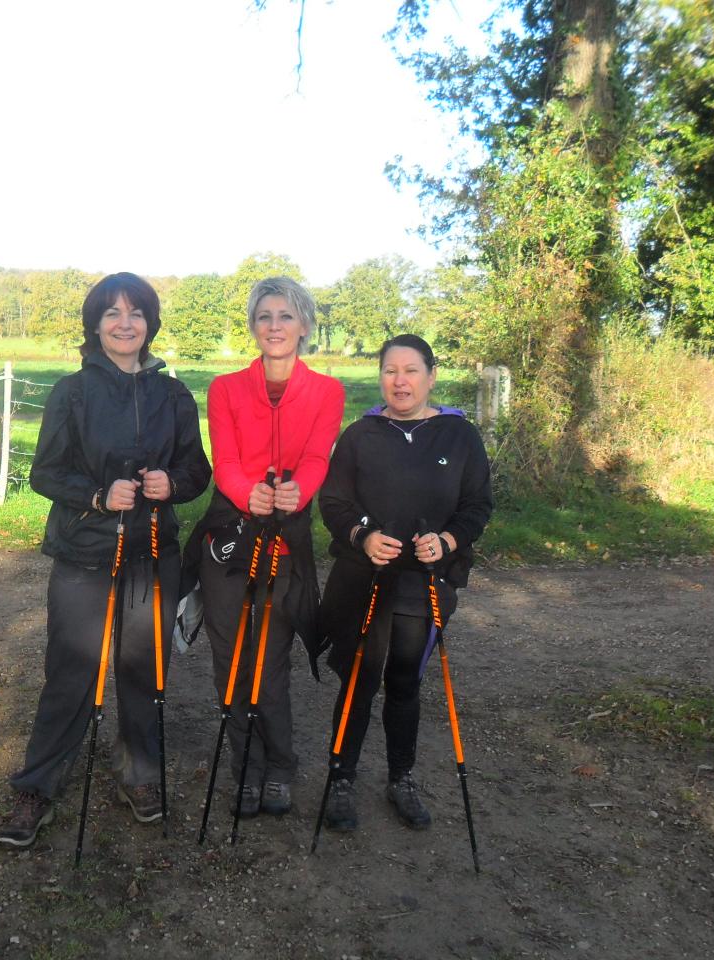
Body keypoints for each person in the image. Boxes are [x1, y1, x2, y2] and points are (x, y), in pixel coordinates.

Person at [0, 272, 211, 847]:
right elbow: (44, 471)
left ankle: (138, 775)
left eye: (136, 312)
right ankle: (36, 787)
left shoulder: (174, 395)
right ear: (95, 324)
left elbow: (199, 471)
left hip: (153, 556)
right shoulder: (73, 391)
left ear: (150, 323)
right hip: (85, 552)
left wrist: (172, 483)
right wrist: (97, 496)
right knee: (71, 670)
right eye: (113, 313)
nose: (125, 322)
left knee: (144, 672)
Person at [316, 333, 492, 832]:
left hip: (425, 581)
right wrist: (362, 537)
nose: (400, 380)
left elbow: (477, 506)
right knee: (358, 679)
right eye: (390, 370)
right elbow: (334, 504)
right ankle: (341, 777)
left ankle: (402, 778)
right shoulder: (360, 435)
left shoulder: (459, 436)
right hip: (364, 579)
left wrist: (449, 541)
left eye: (411, 370)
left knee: (403, 681)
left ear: (431, 376)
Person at [183, 277, 344, 817]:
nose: (274, 326)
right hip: (230, 534)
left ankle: (280, 764)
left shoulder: (327, 391)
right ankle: (243, 767)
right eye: (264, 316)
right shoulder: (225, 387)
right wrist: (245, 492)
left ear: (304, 326)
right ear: (253, 326)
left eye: (286, 316)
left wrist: (301, 494)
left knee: (270, 657)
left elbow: (319, 457)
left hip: (285, 536)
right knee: (231, 659)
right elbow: (223, 461)